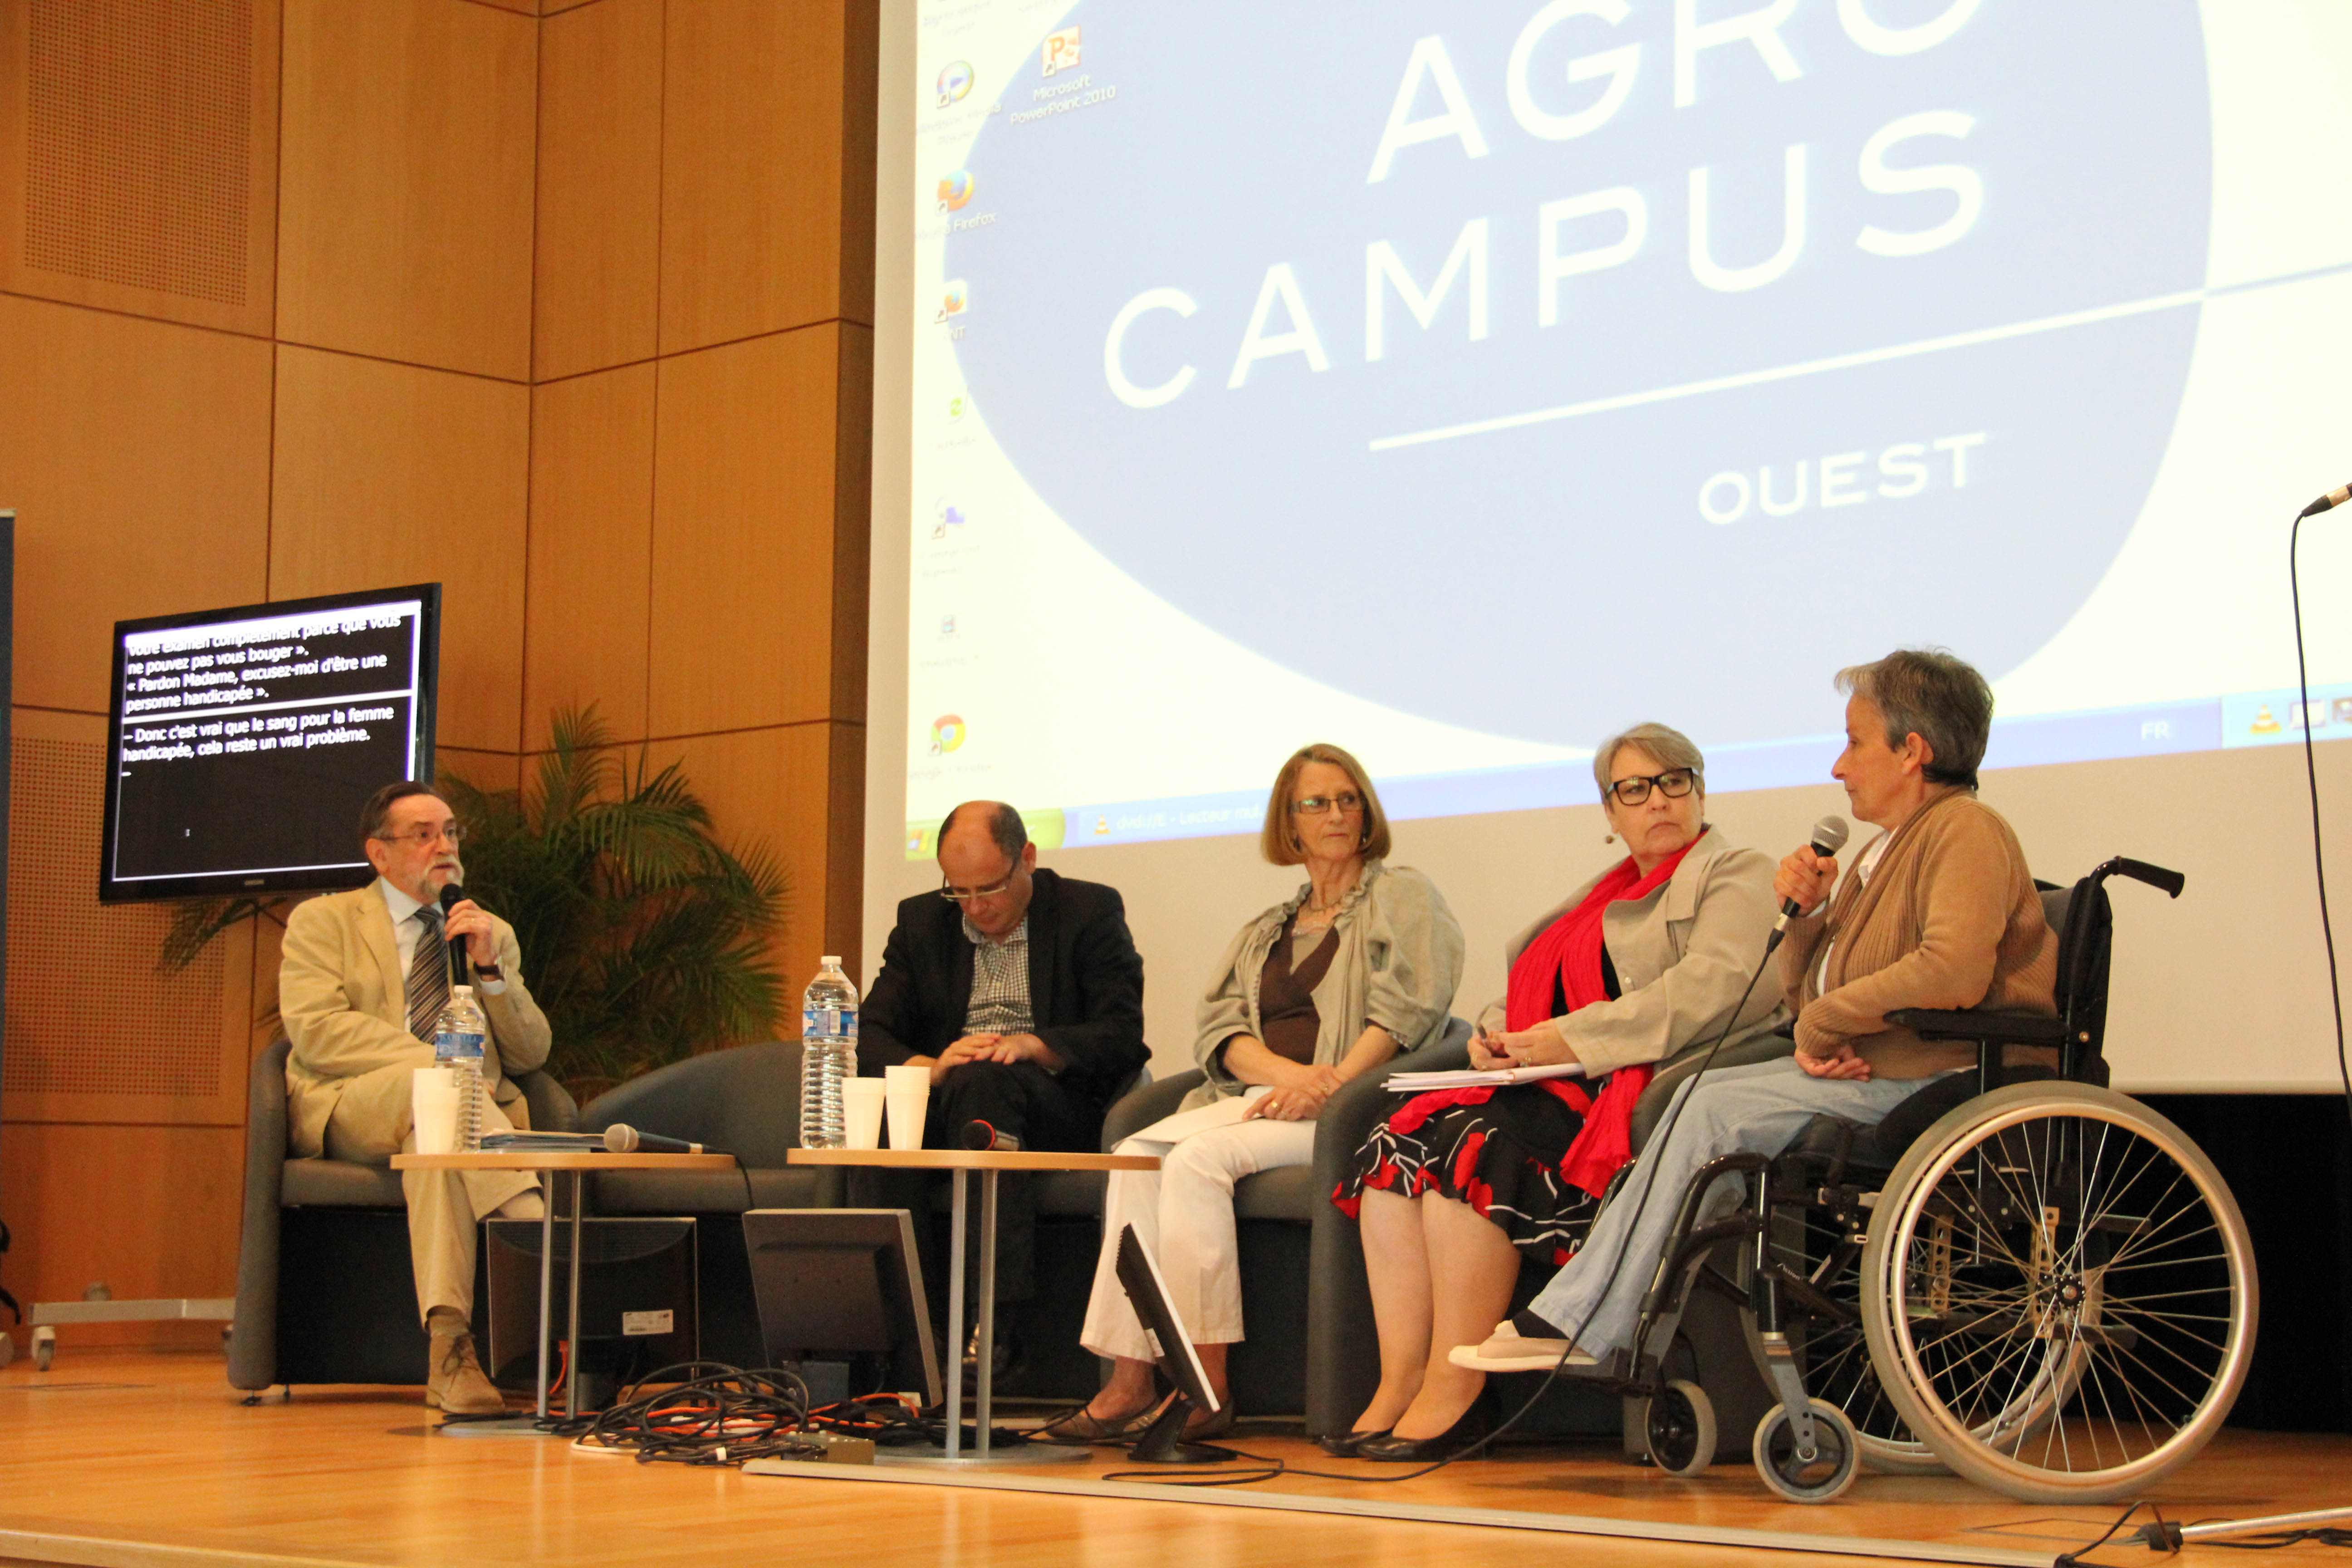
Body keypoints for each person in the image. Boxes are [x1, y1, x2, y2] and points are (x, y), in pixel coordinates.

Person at [1455, 649, 2057, 1376]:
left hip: (1942, 1078)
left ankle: (1588, 1322)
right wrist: (1806, 918)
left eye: (1855, 742)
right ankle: (1603, 1320)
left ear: (1912, 752)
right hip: (1880, 1068)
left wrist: (1826, 1023)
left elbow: (1953, 973)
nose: (1839, 765)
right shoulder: (1884, 850)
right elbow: (1805, 994)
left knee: (1708, 1113)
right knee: (1700, 1098)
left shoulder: (1965, 830)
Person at [1328, 724, 1785, 1461]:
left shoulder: (1735, 872)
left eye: (1673, 782)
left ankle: (1455, 1387)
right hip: (1557, 1080)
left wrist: (1568, 1041)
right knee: (1393, 1149)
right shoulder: (1600, 895)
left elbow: (1715, 988)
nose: (1656, 801)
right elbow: (1533, 994)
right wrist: (1492, 1035)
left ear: (1699, 791)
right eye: (1632, 789)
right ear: (1610, 813)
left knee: (1468, 1147)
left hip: (1633, 1092)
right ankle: (1401, 1379)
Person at [1044, 744, 1465, 1443]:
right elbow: (1222, 1029)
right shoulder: (1266, 929)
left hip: (1355, 1107)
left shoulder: (1405, 896)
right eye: (1317, 803)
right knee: (1133, 1154)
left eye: (1348, 799)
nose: (1336, 814)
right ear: (1288, 825)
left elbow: (1407, 1010)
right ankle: (1129, 1380)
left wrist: (1330, 1086)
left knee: (1195, 1162)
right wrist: (1290, 1078)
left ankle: (1206, 1388)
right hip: (1271, 1099)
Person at [279, 781, 552, 1416]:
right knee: (434, 1088)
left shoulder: (490, 932)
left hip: (450, 1120)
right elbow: (318, 1032)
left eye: (451, 832)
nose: (444, 847)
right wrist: (439, 1065)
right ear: (379, 854)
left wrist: (490, 973)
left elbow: (532, 1053)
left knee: (434, 1131)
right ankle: (531, 1221)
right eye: (424, 835)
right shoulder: (325, 921)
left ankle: (450, 1351)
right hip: (354, 1101)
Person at [856, 800, 1147, 1375]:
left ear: (1027, 860)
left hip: (1053, 1104)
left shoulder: (1088, 910)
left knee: (989, 1083)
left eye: (988, 888)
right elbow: (868, 1033)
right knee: (890, 1122)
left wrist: (1037, 1046)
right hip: (957, 1092)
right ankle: (901, 1332)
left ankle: (993, 1324)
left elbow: (1122, 1033)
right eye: (957, 891)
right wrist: (933, 1066)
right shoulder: (921, 922)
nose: (975, 907)